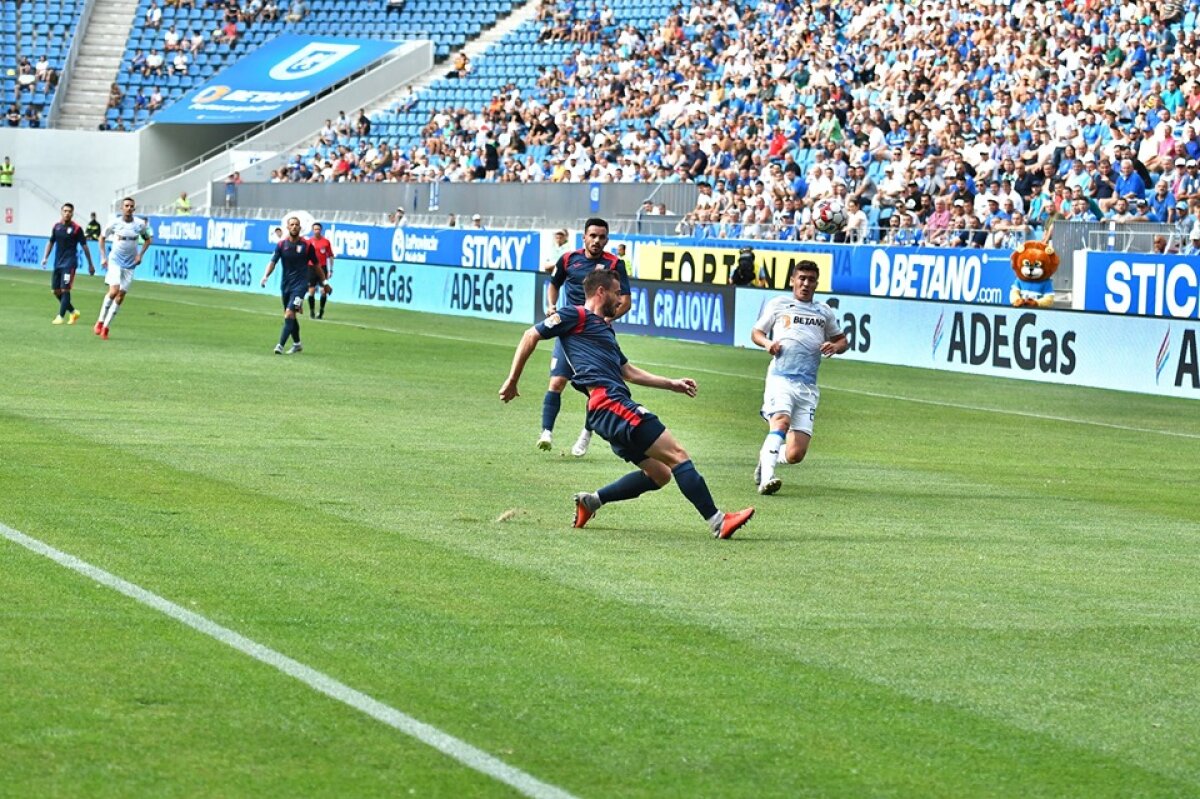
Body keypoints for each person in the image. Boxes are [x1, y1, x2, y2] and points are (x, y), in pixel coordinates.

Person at [500, 269, 755, 539]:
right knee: (677, 454)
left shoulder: (604, 330)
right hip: (610, 403)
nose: (620, 298)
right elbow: (531, 334)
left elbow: (629, 372)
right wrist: (513, 380)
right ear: (601, 292)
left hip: (607, 410)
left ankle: (592, 501)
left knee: (660, 474)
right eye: (616, 291)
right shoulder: (575, 314)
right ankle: (718, 521)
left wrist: (672, 384)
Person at [749, 260, 848, 495]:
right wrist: (767, 343)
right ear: (793, 280)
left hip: (808, 386)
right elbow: (756, 332)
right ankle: (767, 479)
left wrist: (835, 347)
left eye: (811, 279)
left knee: (796, 454)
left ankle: (767, 459)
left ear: (816, 283)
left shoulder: (823, 311)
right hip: (780, 378)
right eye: (801, 278)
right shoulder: (779, 304)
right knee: (781, 422)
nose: (805, 283)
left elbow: (842, 340)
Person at [540, 217, 631, 457]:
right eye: (593, 236)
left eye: (602, 237)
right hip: (570, 330)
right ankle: (546, 433)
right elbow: (554, 283)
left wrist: (605, 321)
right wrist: (552, 305)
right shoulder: (569, 259)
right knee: (557, 381)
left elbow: (626, 302)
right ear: (584, 237)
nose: (597, 241)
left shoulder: (614, 264)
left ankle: (586, 432)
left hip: (597, 336)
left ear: (607, 239)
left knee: (595, 389)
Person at [260, 216, 323, 354]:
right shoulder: (282, 245)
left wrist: (324, 282)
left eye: (297, 224)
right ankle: (297, 344)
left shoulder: (307, 246)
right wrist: (266, 276)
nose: (294, 226)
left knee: (289, 314)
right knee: (291, 316)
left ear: (300, 228)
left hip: (301, 286)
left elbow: (317, 265)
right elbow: (273, 262)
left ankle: (280, 346)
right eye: (292, 224)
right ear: (288, 228)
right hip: (286, 286)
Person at [95, 197, 153, 340]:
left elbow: (148, 239)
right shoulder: (114, 223)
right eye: (126, 206)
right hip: (115, 261)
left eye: (131, 206)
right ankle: (100, 320)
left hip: (130, 263)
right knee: (114, 290)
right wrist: (103, 257)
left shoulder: (139, 224)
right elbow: (101, 238)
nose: (129, 208)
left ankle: (106, 327)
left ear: (134, 208)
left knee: (121, 296)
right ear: (122, 208)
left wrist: (140, 255)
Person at [41, 203, 95, 324]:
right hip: (58, 263)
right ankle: (73, 312)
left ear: (72, 213)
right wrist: (45, 257)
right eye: (65, 211)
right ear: (61, 212)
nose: (67, 213)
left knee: (65, 289)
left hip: (69, 264)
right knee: (56, 291)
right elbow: (51, 242)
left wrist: (90, 264)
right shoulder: (56, 227)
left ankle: (60, 316)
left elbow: (85, 246)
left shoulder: (77, 229)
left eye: (69, 211)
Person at [305, 221, 334, 318]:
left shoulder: (326, 242)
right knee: (311, 291)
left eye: (318, 229)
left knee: (323, 291)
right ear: (312, 230)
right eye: (315, 229)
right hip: (311, 268)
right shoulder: (309, 242)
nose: (316, 231)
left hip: (322, 268)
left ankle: (321, 311)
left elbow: (330, 256)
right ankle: (312, 311)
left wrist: (331, 270)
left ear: (321, 230)